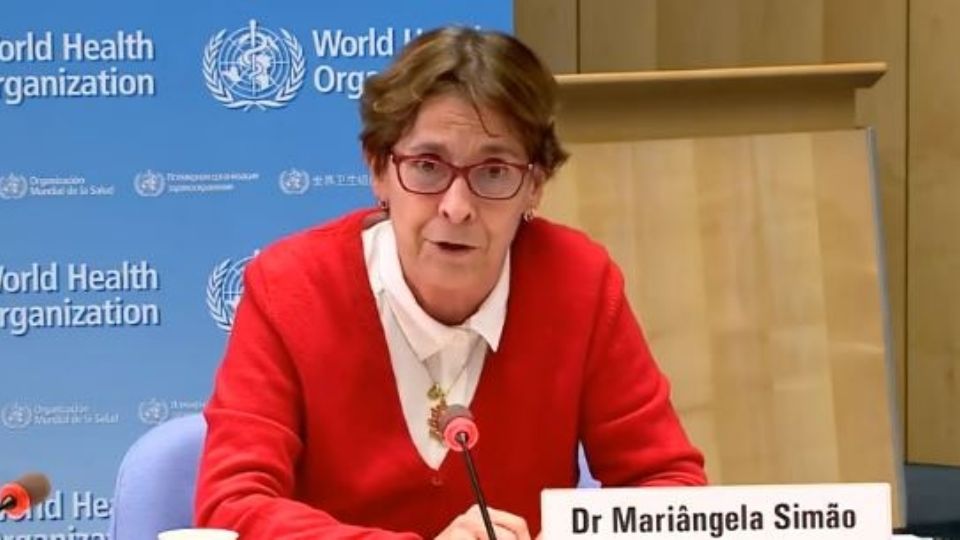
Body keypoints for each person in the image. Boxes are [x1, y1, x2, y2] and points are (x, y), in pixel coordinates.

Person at [194, 26, 706, 540]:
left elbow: (670, 488)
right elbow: (232, 505)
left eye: (494, 171)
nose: (457, 207)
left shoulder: (578, 283)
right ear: (379, 169)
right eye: (427, 166)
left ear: (534, 185)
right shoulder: (291, 287)